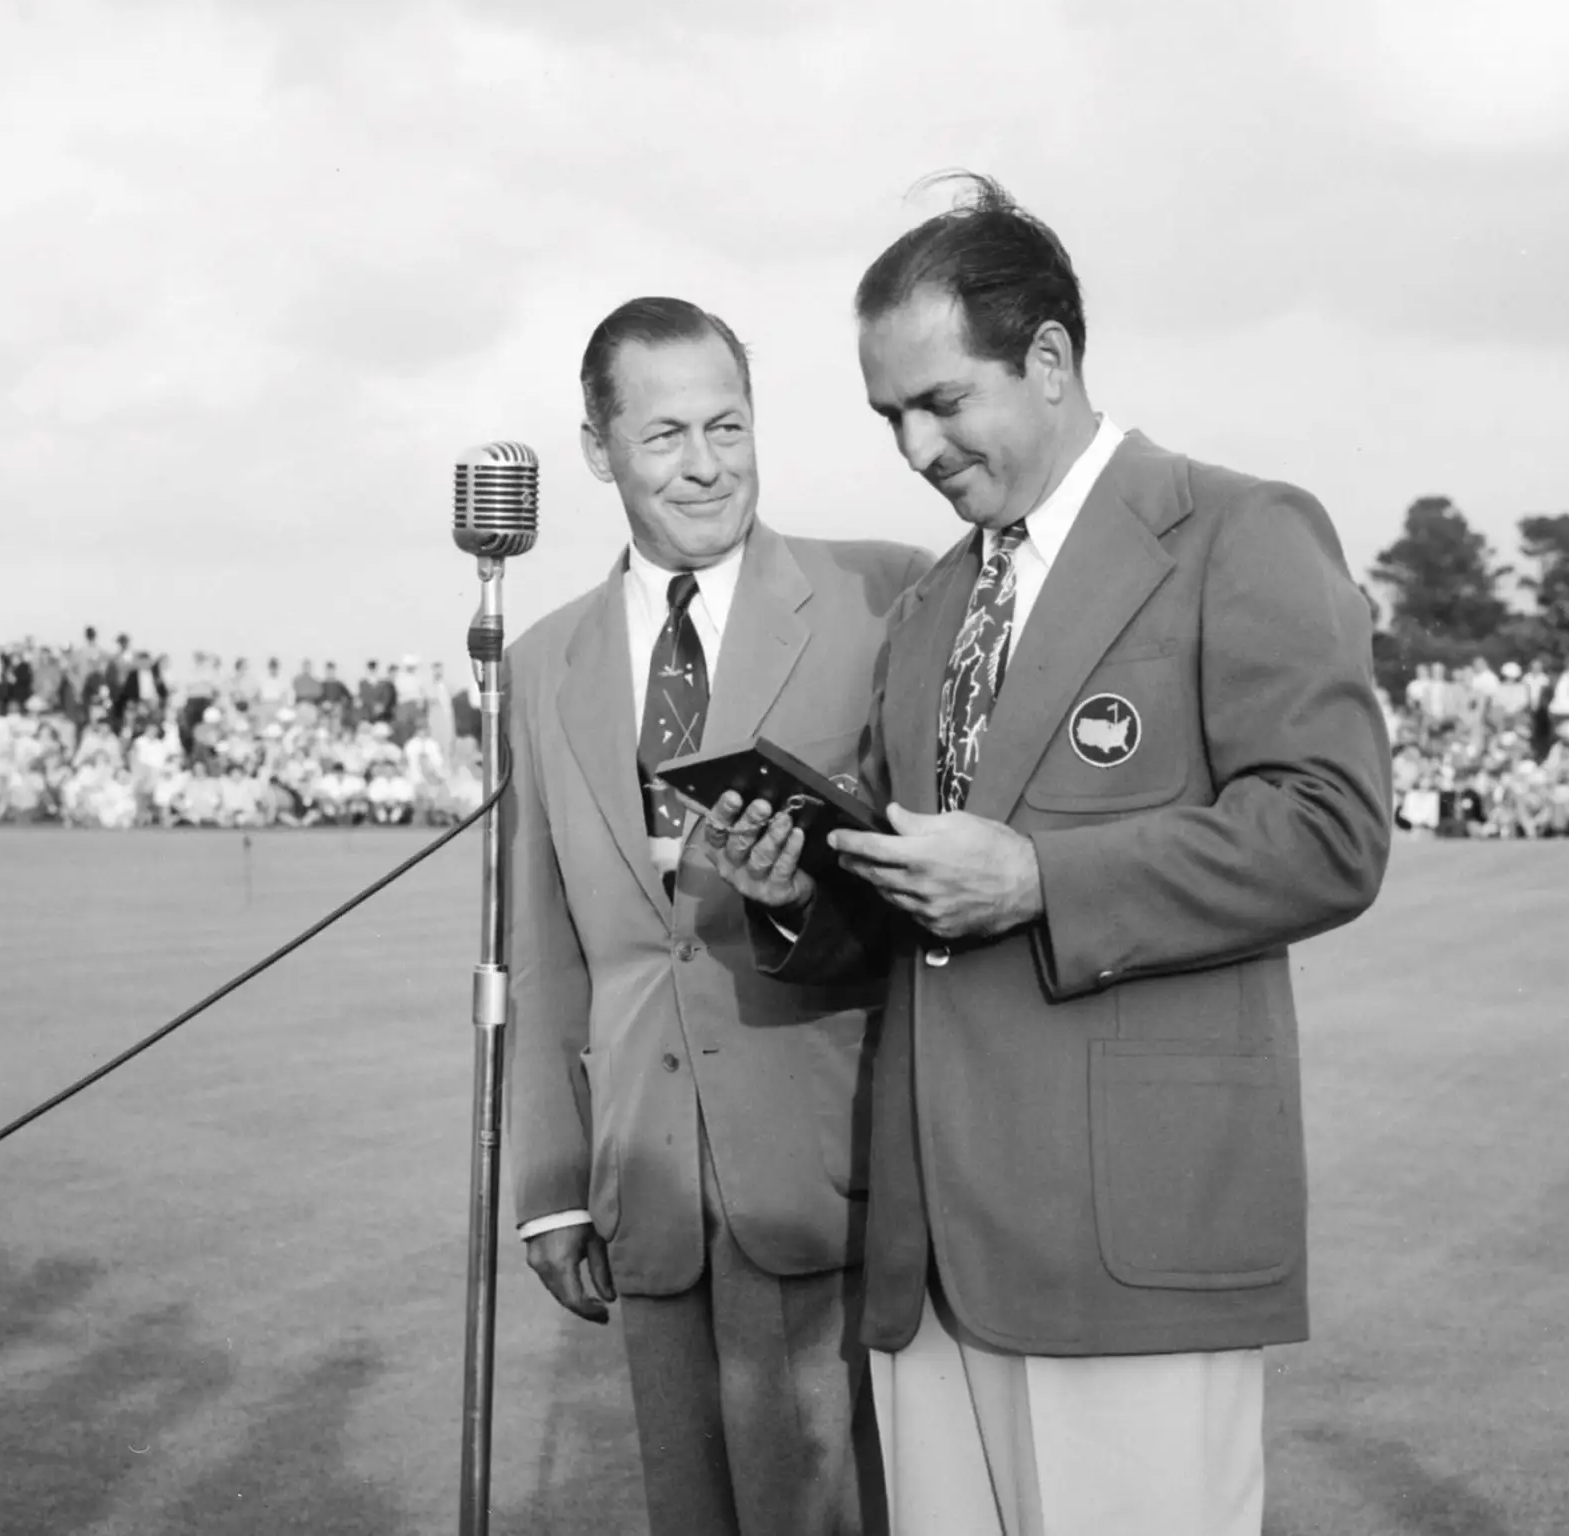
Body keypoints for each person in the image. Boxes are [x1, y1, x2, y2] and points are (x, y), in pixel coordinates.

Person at [706, 176, 1392, 1536]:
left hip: (1128, 1242)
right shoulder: (933, 601)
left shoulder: (1234, 531)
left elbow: (1331, 828)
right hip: (927, 1261)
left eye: (942, 402)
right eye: (887, 416)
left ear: (1052, 359)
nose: (913, 448)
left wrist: (1040, 878)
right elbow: (915, 909)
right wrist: (797, 896)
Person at [502, 296, 928, 1536]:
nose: (706, 464)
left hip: (822, 1165)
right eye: (666, 434)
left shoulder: (880, 596)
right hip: (647, 1182)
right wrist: (550, 1184)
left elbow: (921, 889)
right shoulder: (543, 659)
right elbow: (544, 943)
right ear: (598, 449)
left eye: (729, 425)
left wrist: (803, 898)